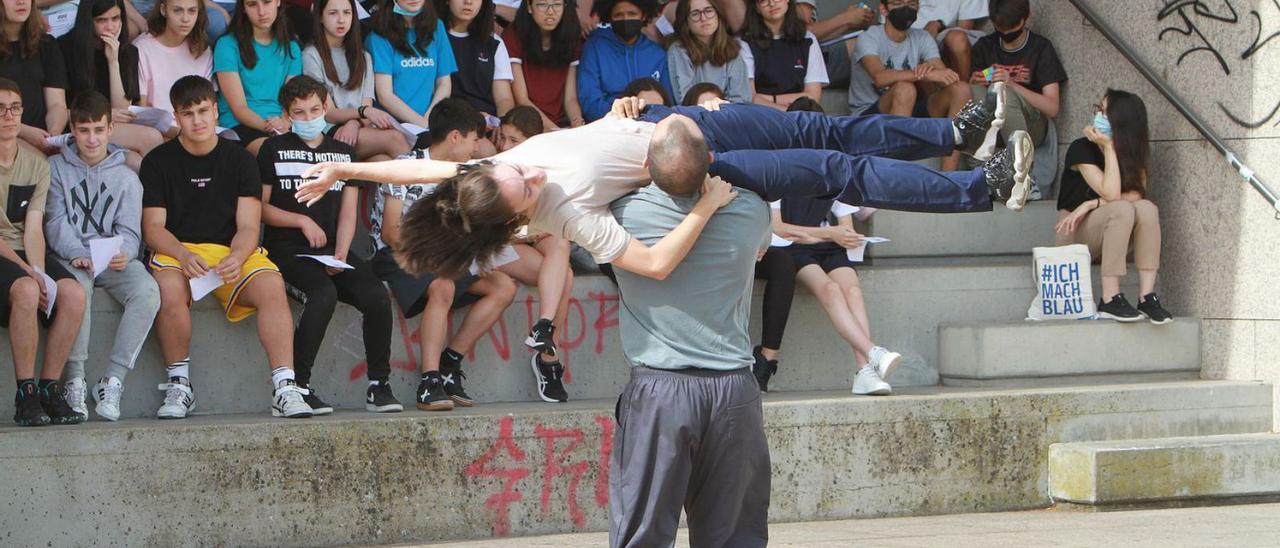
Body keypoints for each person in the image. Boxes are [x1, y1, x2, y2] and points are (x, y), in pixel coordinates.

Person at [297, 93, 1033, 282]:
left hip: (677, 120)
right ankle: (980, 190)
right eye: (524, 183)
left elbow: (416, 169)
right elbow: (645, 263)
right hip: (703, 168)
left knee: (830, 130)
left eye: (510, 166)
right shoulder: (562, 216)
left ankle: (955, 136)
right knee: (840, 173)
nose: (527, 167)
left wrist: (344, 167)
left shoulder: (476, 177)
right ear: (520, 220)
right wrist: (707, 204)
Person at [606, 178, 768, 548]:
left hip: (661, 391)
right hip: (734, 391)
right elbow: (762, 249)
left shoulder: (621, 211)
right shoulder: (750, 207)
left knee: (642, 530)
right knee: (735, 535)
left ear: (646, 165)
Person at [141, 75, 311, 419]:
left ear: (216, 111)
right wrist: (183, 254)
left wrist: (237, 256)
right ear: (176, 116)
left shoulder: (240, 160)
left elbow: (249, 226)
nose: (198, 120)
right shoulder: (158, 161)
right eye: (188, 113)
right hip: (179, 250)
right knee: (168, 289)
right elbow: (153, 229)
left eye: (203, 110)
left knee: (271, 284)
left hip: (230, 250)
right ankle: (179, 385)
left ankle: (285, 387)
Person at [257, 75, 403, 414]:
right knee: (323, 294)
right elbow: (260, 207)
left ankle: (379, 385)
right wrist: (301, 220)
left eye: (314, 110)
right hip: (287, 249)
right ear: (287, 114)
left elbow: (349, 211)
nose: (309, 118)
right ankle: (297, 388)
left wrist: (341, 251)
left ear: (327, 108)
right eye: (300, 112)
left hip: (333, 251)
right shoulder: (272, 149)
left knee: (376, 296)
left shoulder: (342, 152)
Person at [366, 100, 520, 411]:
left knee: (502, 286)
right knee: (443, 285)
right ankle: (429, 381)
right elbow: (391, 235)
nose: (477, 147)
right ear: (454, 137)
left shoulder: (464, 176)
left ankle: (451, 363)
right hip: (395, 255)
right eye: (473, 139)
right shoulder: (405, 166)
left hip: (439, 258)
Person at [45, 92, 160, 422]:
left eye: (98, 129)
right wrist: (79, 253)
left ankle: (112, 380)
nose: (91, 138)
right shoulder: (55, 168)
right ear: (72, 130)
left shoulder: (125, 176)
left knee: (147, 291)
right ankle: (76, 379)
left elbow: (130, 229)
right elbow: (54, 221)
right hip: (71, 257)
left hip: (111, 259)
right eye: (84, 130)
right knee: (77, 290)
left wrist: (124, 253)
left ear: (111, 129)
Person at [0, 78, 87, 426]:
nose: (8, 115)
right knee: (25, 288)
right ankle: (26, 394)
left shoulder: (36, 163)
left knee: (74, 293)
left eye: (15, 108)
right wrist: (29, 273)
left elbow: (33, 226)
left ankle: (50, 388)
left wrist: (38, 267)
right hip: (4, 253)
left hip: (23, 249)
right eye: (0, 109)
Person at [1054, 89, 1171, 325]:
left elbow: (1136, 193)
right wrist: (1107, 148)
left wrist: (1092, 203)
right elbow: (1112, 193)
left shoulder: (1132, 154)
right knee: (1122, 209)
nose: (1098, 116)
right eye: (1099, 109)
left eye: (1106, 113)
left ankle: (1147, 296)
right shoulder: (1081, 148)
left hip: (1113, 235)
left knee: (1147, 207)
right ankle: (1109, 297)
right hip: (1074, 235)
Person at [849, 0, 970, 170]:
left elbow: (943, 74)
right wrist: (920, 74)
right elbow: (879, 77)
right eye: (898, 3)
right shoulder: (869, 36)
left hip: (909, 110)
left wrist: (933, 72)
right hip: (868, 117)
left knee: (961, 90)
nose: (906, 8)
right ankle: (897, 175)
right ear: (884, 9)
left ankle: (948, 176)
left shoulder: (922, 38)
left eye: (912, 4)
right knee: (905, 88)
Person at [58, 0, 163, 171]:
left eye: (115, 18)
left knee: (139, 161)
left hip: (111, 126)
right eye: (102, 20)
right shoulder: (65, 47)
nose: (111, 27)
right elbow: (60, 108)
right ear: (88, 21)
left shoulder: (128, 51)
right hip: (78, 126)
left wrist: (113, 62)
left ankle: (156, 196)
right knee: (150, 138)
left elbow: (122, 109)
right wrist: (106, 115)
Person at [303, 0, 412, 161]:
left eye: (347, 13)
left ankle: (411, 186)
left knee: (382, 160)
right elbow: (329, 113)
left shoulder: (363, 56)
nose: (341, 20)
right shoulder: (311, 55)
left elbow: (367, 108)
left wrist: (354, 123)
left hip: (360, 126)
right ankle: (421, 186)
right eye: (333, 13)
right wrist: (361, 115)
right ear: (320, 17)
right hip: (330, 131)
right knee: (395, 139)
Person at [968, 0, 1065, 151]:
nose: (1006, 33)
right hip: (993, 124)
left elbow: (1052, 107)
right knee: (970, 90)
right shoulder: (985, 47)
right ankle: (976, 161)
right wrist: (975, 80)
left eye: (1011, 28)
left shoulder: (1040, 48)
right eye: (1001, 28)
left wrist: (1012, 85)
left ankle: (1018, 160)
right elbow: (974, 89)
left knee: (1003, 94)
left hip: (1031, 124)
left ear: (1026, 18)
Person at [214, 0, 303, 156]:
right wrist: (272, 128)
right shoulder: (227, 45)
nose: (261, 11)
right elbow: (239, 108)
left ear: (278, 2)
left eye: (267, 2)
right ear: (243, 8)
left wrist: (285, 123)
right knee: (276, 154)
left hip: (282, 123)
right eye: (252, 4)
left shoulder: (291, 47)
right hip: (240, 125)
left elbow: (292, 100)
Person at [367, 0, 458, 133]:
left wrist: (430, 119)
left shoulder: (437, 27)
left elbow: (444, 83)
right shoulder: (379, 35)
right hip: (392, 126)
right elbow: (385, 95)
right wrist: (422, 124)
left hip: (431, 120)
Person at [576, 0, 668, 122]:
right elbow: (589, 101)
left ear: (644, 15)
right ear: (610, 17)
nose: (625, 19)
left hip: (651, 126)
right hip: (608, 125)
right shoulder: (594, 47)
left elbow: (667, 100)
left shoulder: (658, 54)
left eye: (632, 13)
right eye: (618, 15)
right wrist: (621, 116)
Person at [1, 0, 68, 154]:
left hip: (41, 137)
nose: (21, 1)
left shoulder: (47, 44)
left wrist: (53, 135)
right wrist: (25, 132)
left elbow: (57, 104)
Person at [502, 0, 582, 131]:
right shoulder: (513, 35)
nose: (550, 12)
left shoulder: (571, 36)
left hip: (561, 124)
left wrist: (577, 122)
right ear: (529, 6)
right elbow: (521, 98)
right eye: (542, 4)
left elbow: (570, 98)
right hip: (528, 124)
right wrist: (556, 132)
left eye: (557, 5)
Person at [739, 0, 827, 112]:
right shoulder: (745, 42)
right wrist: (788, 113)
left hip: (801, 117)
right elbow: (748, 97)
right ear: (756, 7)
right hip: (762, 116)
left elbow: (813, 96)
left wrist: (770, 99)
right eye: (763, 0)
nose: (772, 3)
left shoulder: (807, 39)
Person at [134, 0, 214, 117]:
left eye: (192, 11)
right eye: (177, 10)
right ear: (163, 10)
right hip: (157, 130)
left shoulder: (202, 50)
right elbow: (141, 109)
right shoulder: (141, 48)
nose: (185, 19)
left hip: (196, 127)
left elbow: (207, 106)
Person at [438, 0, 515, 117]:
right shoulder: (433, 38)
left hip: (487, 122)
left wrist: (501, 124)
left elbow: (504, 99)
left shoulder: (494, 42)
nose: (468, 2)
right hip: (446, 119)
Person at [666, 0, 749, 104]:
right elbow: (686, 99)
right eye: (695, 14)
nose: (703, 18)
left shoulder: (731, 48)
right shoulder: (678, 50)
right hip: (695, 115)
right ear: (686, 21)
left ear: (718, 14)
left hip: (730, 116)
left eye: (708, 11)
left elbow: (742, 99)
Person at [913, 0, 987, 78]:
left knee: (958, 39)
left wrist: (936, 25)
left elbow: (963, 29)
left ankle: (962, 86)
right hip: (908, 33)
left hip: (942, 35)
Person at [123, 0, 230, 44]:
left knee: (216, 20)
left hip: (173, 7)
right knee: (130, 30)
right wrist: (141, 22)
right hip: (132, 11)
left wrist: (221, 10)